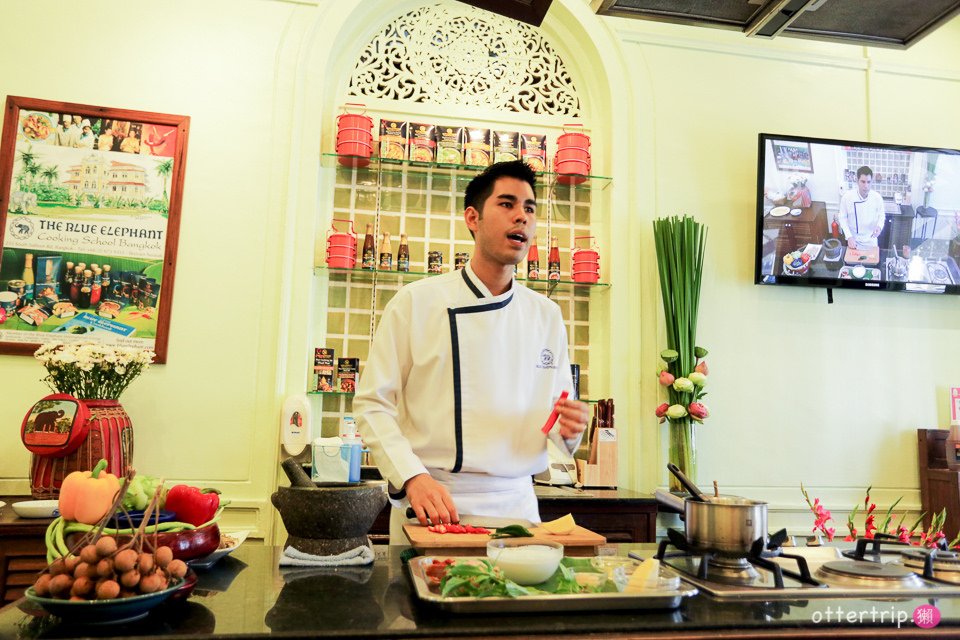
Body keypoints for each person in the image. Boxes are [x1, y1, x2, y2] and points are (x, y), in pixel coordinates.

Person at [354, 160, 589, 543]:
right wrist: (413, 477)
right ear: (473, 218)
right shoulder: (417, 302)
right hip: (436, 502)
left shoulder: (546, 315)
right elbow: (372, 404)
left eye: (529, 208)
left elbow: (554, 419)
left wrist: (571, 429)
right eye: (507, 204)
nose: (521, 218)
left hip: (518, 508)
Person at [838, 165, 885, 249]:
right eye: (863, 182)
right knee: (854, 262)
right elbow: (842, 218)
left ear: (872, 182)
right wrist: (849, 236)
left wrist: (879, 226)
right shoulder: (847, 197)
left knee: (872, 261)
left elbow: (882, 215)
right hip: (854, 239)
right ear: (857, 181)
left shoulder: (877, 197)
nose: (866, 186)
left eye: (868, 182)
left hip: (871, 239)